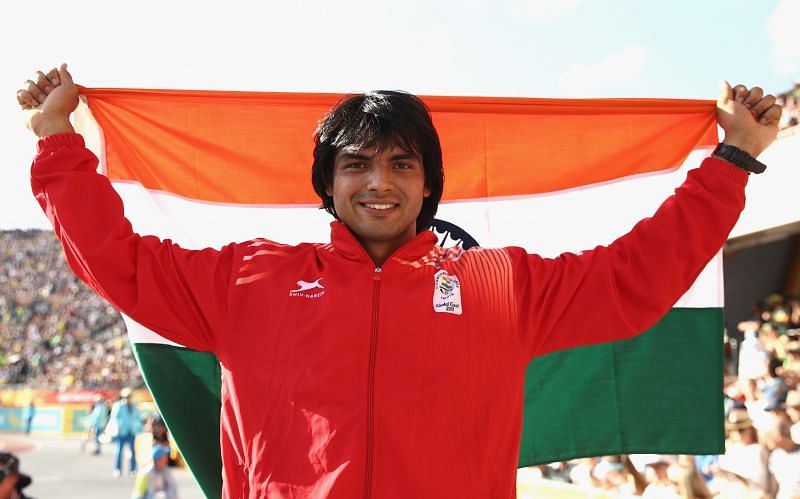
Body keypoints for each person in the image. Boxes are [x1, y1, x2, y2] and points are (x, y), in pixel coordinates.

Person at [17, 64, 782, 498]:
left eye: (401, 164)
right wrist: (58, 143)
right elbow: (118, 259)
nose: (378, 182)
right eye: (356, 163)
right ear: (327, 183)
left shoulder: (494, 284)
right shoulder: (251, 280)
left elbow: (636, 276)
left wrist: (734, 161)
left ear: (428, 187)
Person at [109, 388, 142, 478]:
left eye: (130, 396)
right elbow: (114, 418)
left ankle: (133, 469)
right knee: (119, 451)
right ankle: (117, 469)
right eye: (127, 396)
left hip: (131, 431)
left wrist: (138, 428)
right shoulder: (118, 406)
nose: (128, 398)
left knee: (133, 451)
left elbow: (137, 418)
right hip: (121, 432)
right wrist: (118, 427)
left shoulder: (134, 406)